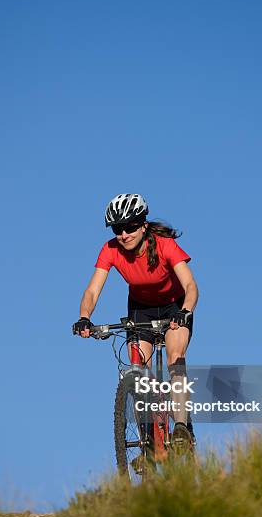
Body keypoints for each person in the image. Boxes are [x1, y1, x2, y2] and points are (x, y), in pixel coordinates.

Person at [73, 193, 199, 450]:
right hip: (141, 310)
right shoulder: (110, 249)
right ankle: (149, 442)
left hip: (175, 306)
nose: (124, 234)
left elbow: (190, 285)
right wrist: (84, 317)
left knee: (176, 358)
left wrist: (185, 311)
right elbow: (92, 291)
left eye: (130, 227)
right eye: (118, 229)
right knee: (139, 370)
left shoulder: (164, 244)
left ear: (143, 224)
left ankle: (181, 428)